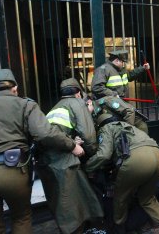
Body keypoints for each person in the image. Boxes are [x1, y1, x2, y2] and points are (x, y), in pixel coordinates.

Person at [0, 69, 84, 234]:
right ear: (15, 88)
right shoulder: (25, 104)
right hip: (14, 170)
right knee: (21, 218)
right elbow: (45, 133)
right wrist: (72, 145)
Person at [85, 114, 159, 234]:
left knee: (120, 198)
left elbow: (104, 154)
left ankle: (119, 228)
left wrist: (88, 167)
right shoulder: (130, 126)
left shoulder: (106, 128)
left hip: (137, 161)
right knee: (147, 198)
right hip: (158, 155)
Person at [37, 78, 103, 234]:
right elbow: (88, 136)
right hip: (64, 161)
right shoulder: (77, 104)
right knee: (73, 204)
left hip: (47, 161)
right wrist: (94, 155)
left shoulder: (55, 107)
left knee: (62, 203)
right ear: (78, 93)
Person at [91, 49, 150, 133]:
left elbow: (129, 76)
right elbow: (96, 87)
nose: (123, 65)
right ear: (117, 60)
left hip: (122, 104)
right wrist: (113, 94)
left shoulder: (121, 70)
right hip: (110, 107)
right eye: (123, 62)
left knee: (142, 125)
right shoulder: (103, 69)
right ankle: (128, 136)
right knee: (128, 119)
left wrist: (142, 68)